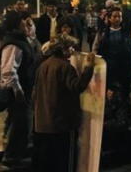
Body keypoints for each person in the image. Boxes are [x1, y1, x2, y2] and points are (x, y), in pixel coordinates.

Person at [32, 38, 95, 172]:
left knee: (49, 161)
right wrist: (88, 67)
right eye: (71, 48)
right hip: (61, 123)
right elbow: (78, 86)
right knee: (64, 160)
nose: (73, 52)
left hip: (43, 122)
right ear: (63, 49)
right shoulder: (65, 67)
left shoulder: (43, 65)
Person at [0, 11, 35, 167]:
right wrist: (18, 91)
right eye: (22, 21)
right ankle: (11, 157)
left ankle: (15, 153)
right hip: (17, 92)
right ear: (15, 24)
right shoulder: (13, 44)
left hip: (23, 88)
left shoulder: (20, 40)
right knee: (20, 123)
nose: (25, 24)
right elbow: (8, 70)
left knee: (18, 122)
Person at [94, 7, 131, 101]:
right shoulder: (103, 34)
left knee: (124, 96)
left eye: (119, 16)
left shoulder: (127, 33)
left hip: (124, 70)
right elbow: (96, 50)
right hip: (109, 70)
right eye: (115, 16)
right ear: (109, 18)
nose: (117, 19)